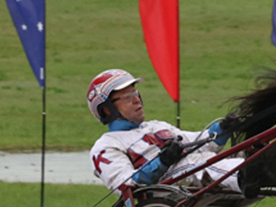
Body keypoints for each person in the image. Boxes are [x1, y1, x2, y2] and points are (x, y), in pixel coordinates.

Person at [87, 69, 243, 194]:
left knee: (232, 154)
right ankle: (246, 173)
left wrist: (223, 129)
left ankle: (253, 166)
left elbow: (200, 143)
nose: (137, 100)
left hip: (191, 175)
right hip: (163, 191)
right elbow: (125, 184)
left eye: (136, 94)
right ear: (107, 110)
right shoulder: (106, 145)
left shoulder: (157, 126)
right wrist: (162, 162)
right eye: (128, 97)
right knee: (194, 163)